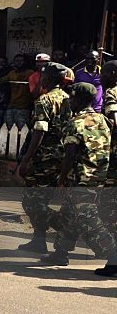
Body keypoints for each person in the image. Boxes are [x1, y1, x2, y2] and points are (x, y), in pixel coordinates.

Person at [41, 82, 117, 267]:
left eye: (72, 98)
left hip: (82, 180)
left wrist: (60, 180)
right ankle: (60, 252)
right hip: (102, 176)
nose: (70, 101)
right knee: (69, 215)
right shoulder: (103, 120)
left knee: (88, 220)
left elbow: (70, 156)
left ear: (80, 100)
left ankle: (113, 256)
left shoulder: (75, 123)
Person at [15, 63, 70, 255]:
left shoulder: (44, 100)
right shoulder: (68, 99)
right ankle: (39, 241)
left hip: (44, 158)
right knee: (41, 199)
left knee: (31, 201)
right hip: (62, 156)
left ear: (48, 79)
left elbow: (39, 132)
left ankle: (62, 225)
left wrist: (26, 159)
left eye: (43, 76)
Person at [95, 60, 117, 277]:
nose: (100, 77)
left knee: (109, 210)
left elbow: (114, 120)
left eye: (104, 73)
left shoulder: (112, 93)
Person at [0, 55, 34, 127]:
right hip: (11, 106)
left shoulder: (30, 73)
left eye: (21, 61)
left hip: (24, 107)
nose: (19, 63)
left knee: (23, 130)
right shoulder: (12, 73)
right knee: (9, 129)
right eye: (17, 61)